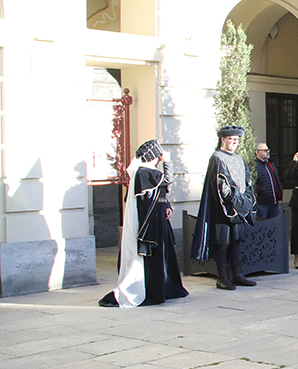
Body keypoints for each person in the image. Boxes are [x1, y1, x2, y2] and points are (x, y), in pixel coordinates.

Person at [99, 140, 189, 307]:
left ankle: (167, 288)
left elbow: (160, 192)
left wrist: (167, 206)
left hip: (160, 219)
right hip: (150, 224)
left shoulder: (151, 172)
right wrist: (167, 161)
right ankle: (150, 291)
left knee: (164, 257)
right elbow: (166, 180)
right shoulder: (143, 172)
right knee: (152, 259)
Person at [191, 125, 257, 290]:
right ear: (223, 139)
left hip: (239, 208)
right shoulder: (217, 158)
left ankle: (238, 275)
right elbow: (222, 185)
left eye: (236, 140)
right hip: (224, 209)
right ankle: (222, 277)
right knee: (223, 243)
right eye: (231, 139)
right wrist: (236, 200)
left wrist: (247, 200)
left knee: (236, 241)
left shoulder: (239, 159)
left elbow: (247, 181)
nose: (234, 143)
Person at [253, 143, 283, 220]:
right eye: (265, 150)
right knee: (262, 225)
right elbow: (252, 183)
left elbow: (276, 180)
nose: (267, 152)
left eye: (268, 150)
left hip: (274, 202)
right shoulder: (255, 165)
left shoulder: (270, 164)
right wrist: (261, 190)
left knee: (275, 225)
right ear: (257, 152)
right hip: (262, 203)